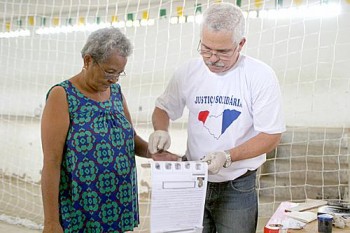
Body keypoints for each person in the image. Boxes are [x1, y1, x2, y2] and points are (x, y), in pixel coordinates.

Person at [148, 3, 286, 233]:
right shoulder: (188, 72)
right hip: (192, 178)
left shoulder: (259, 76)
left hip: (237, 184)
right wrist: (161, 130)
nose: (212, 58)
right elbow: (162, 108)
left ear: (240, 44)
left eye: (222, 52)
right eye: (205, 49)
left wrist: (228, 156)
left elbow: (271, 135)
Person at [41, 27, 178, 233]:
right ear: (88, 61)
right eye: (109, 72)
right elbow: (51, 162)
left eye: (119, 73)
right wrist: (51, 222)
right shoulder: (62, 95)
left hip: (118, 202)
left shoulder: (115, 91)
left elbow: (129, 138)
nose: (114, 79)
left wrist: (153, 153)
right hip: (83, 207)